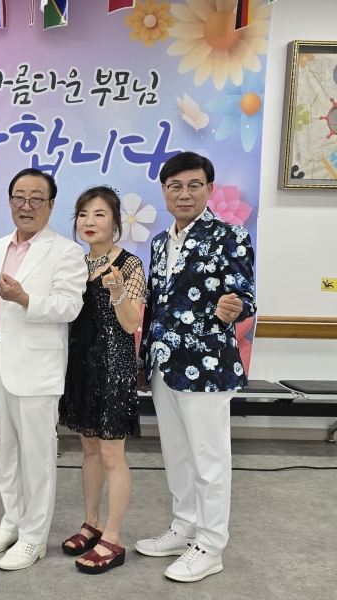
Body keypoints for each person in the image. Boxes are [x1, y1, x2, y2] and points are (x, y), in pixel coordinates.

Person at [135, 152, 256, 582]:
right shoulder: (158, 242)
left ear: (208, 189)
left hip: (207, 366)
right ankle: (184, 527)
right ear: (164, 191)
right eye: (175, 186)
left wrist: (233, 307)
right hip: (164, 365)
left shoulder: (230, 236)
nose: (184, 194)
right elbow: (155, 307)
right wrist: (144, 360)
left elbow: (245, 295)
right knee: (178, 455)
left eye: (193, 185)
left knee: (209, 460)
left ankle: (210, 545)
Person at [0, 168, 87, 571]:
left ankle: (34, 537)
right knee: (8, 449)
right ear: (9, 202)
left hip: (37, 367)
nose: (26, 205)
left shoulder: (66, 251)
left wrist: (24, 299)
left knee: (37, 455)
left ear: (50, 205)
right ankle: (12, 522)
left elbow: (70, 306)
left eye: (36, 198)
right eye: (19, 197)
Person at [57, 186, 145, 574]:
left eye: (99, 214)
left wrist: (117, 291)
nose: (89, 222)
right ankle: (91, 523)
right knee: (89, 448)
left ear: (115, 222)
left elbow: (131, 323)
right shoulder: (76, 264)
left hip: (113, 367)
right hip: (81, 365)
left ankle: (113, 538)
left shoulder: (129, 264)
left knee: (111, 454)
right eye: (83, 215)